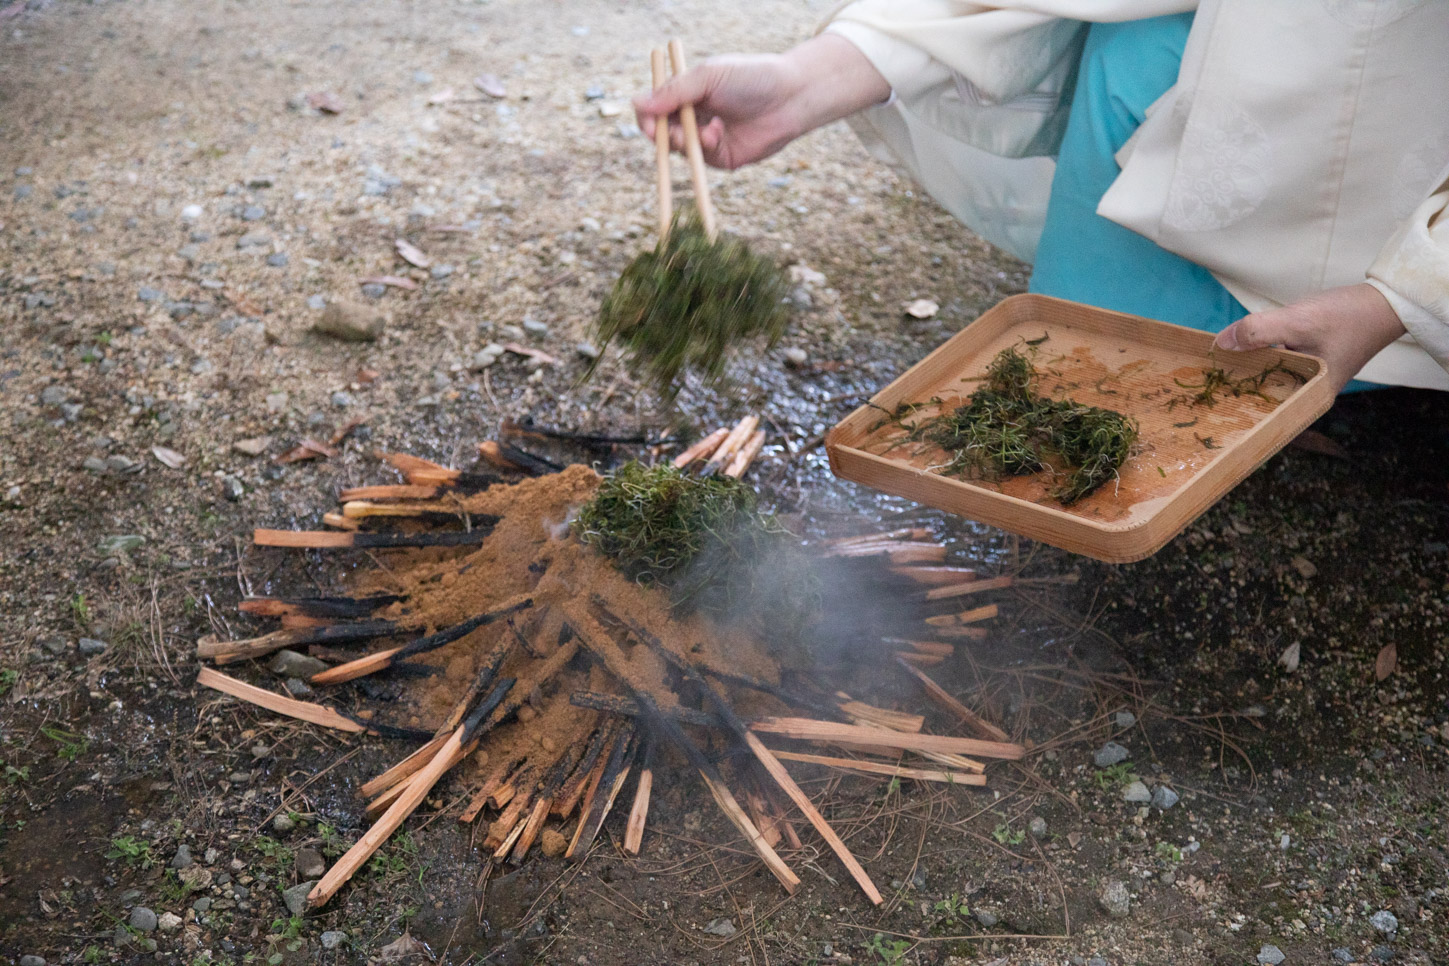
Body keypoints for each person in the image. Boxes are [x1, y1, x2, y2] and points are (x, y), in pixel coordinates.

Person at [634, 2, 1449, 396]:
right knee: (1078, 380)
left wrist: (1400, 299)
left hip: (1418, 155)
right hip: (1222, 55)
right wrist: (810, 78)